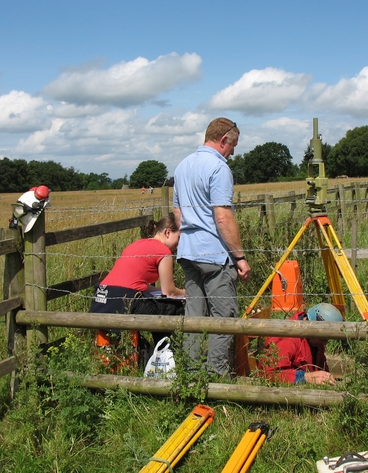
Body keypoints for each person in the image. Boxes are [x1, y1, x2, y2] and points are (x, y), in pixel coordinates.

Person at [172, 117, 251, 376]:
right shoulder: (218, 168)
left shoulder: (183, 166)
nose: (233, 152)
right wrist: (239, 257)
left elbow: (178, 213)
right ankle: (216, 374)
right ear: (223, 139)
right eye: (233, 145)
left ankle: (191, 373)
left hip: (188, 251)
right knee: (223, 317)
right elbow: (222, 216)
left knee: (194, 315)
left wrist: (189, 235)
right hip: (214, 255)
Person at [89, 214, 185, 345]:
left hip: (102, 297)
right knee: (173, 307)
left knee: (157, 307)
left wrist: (159, 291)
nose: (179, 244)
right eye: (179, 238)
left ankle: (149, 351)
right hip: (124, 301)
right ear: (168, 232)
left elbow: (136, 282)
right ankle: (169, 352)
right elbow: (170, 292)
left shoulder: (137, 244)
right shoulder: (164, 251)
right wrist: (188, 294)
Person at [258, 304, 342, 385]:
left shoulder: (314, 340)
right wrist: (306, 378)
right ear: (310, 325)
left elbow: (320, 367)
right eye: (323, 339)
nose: (325, 343)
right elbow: (269, 374)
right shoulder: (287, 339)